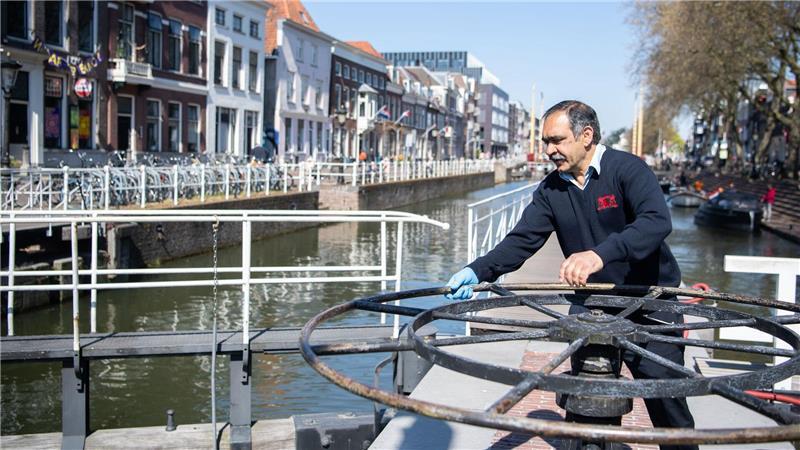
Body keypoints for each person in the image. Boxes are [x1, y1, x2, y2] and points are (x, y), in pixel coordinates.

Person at [446, 100, 696, 450]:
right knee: (585, 402)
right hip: (593, 305)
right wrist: (478, 270)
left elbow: (656, 221)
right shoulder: (551, 190)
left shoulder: (627, 170)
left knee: (668, 403)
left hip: (649, 302)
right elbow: (521, 241)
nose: (549, 150)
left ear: (587, 136)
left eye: (557, 140)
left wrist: (599, 254)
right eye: (546, 142)